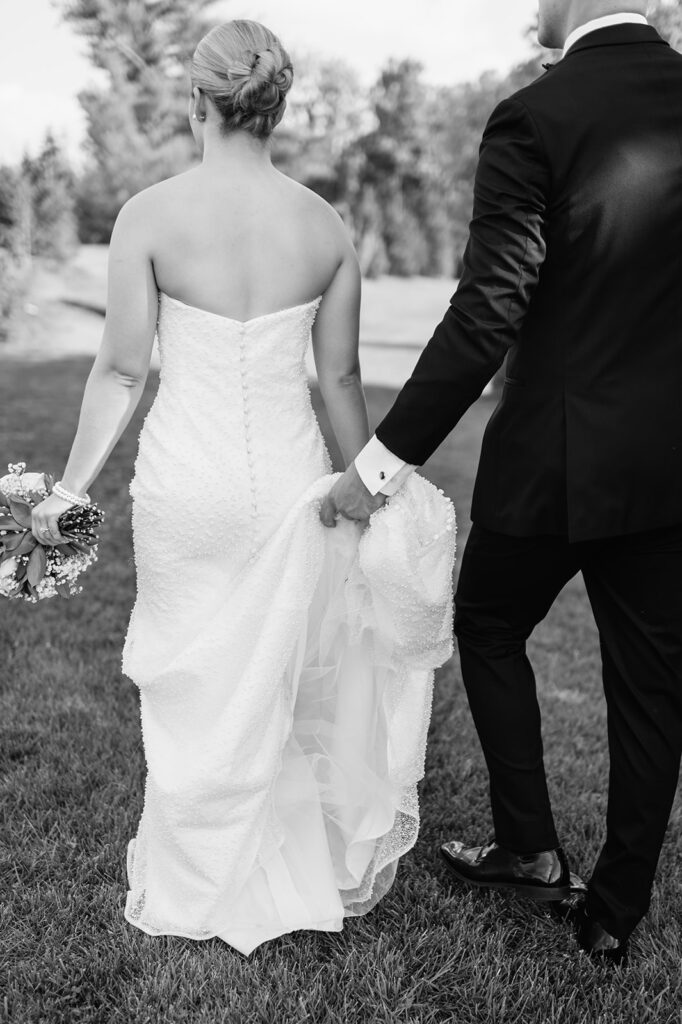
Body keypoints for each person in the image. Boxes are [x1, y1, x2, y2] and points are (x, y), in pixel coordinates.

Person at [29, 20, 456, 955]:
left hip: (185, 481)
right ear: (277, 106)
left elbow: (120, 373)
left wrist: (69, 487)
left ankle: (194, 874)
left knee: (191, 672)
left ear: (199, 104)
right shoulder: (323, 224)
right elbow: (340, 382)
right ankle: (269, 859)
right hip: (291, 487)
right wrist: (370, 491)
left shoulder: (150, 213)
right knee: (265, 679)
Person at [322, 0, 682, 968]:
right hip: (670, 466)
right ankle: (613, 908)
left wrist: (380, 463)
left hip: (554, 463)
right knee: (651, 683)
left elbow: (489, 309)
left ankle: (528, 845)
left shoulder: (537, 114)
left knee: (486, 622)